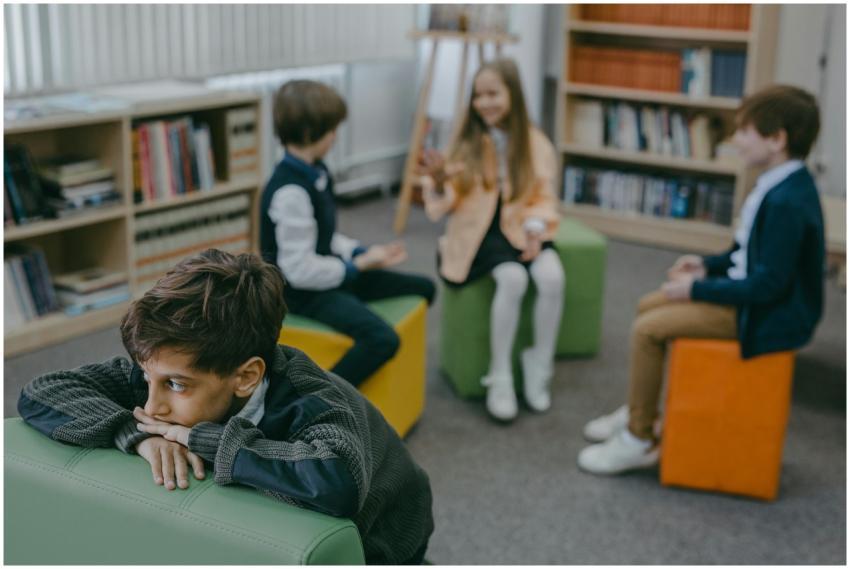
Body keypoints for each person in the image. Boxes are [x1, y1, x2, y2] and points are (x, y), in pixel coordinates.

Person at [17, 249, 434, 564]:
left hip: (387, 536)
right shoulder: (163, 372)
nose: (152, 405)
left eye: (176, 385)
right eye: (146, 377)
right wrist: (135, 434)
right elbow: (41, 391)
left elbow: (338, 483)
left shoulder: (310, 398)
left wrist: (202, 439)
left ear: (246, 377)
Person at [578, 85, 826, 475]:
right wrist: (707, 266)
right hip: (754, 298)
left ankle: (638, 438)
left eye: (744, 131)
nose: (736, 140)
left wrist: (696, 289)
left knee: (647, 330)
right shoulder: (776, 184)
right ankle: (643, 408)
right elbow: (746, 253)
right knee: (648, 305)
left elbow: (768, 285)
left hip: (767, 315)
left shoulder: (787, 201)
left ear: (777, 139)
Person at [260, 79, 436, 387]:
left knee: (425, 288)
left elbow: (324, 236)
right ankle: (318, 397)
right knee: (382, 339)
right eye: (332, 129)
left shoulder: (317, 170)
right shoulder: (290, 193)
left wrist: (360, 253)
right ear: (309, 133)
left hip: (331, 273)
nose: (335, 136)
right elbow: (298, 270)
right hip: (301, 293)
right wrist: (357, 266)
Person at [419, 58, 564, 422]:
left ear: (513, 94)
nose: (485, 103)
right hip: (480, 233)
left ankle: (539, 363)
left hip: (522, 224)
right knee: (513, 279)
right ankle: (500, 375)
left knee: (552, 278)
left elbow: (544, 196)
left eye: (493, 94)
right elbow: (449, 199)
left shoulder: (535, 142)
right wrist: (439, 182)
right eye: (478, 95)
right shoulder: (465, 141)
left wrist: (535, 230)